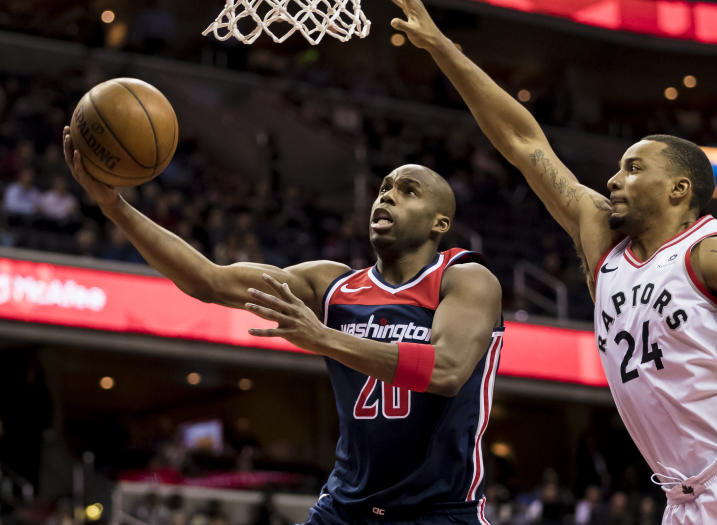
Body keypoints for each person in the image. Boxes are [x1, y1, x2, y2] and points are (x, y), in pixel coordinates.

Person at [389, 1, 717, 524]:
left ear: (678, 188)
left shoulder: (712, 252)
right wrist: (442, 47)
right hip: (686, 500)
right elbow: (524, 142)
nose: (613, 180)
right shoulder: (603, 244)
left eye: (633, 168)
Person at [61, 127, 504, 525]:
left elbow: (446, 371)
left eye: (408, 192)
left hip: (441, 512)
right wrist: (114, 206)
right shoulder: (332, 286)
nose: (386, 196)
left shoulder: (464, 278)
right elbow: (208, 280)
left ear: (438, 223)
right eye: (384, 187)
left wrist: (324, 338)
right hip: (346, 508)